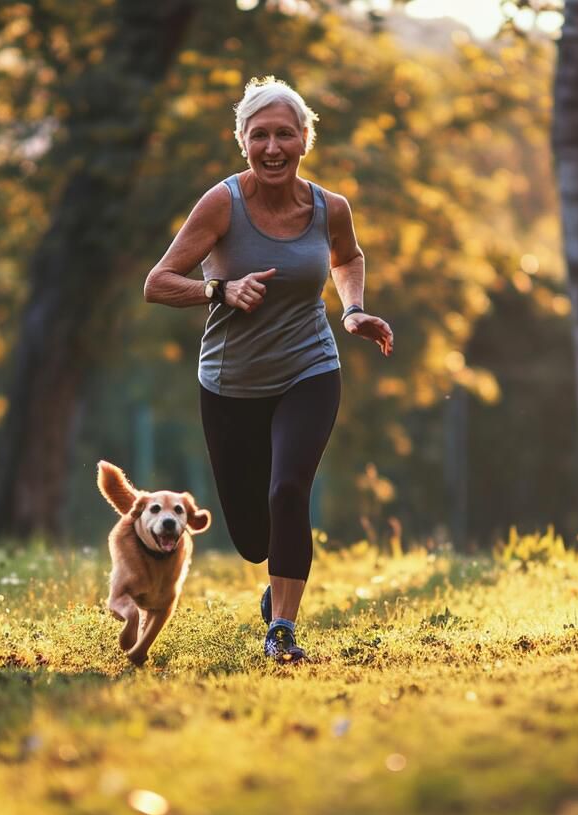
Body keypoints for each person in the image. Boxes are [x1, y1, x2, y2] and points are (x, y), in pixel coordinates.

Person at [143, 76, 393, 663]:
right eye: (261, 136)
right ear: (243, 142)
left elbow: (348, 257)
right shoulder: (222, 204)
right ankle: (273, 583)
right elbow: (157, 283)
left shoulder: (330, 207)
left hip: (310, 367)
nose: (274, 147)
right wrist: (220, 291)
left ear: (306, 139)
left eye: (285, 134)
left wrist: (352, 310)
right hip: (230, 384)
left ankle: (282, 626)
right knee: (254, 538)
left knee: (288, 492)